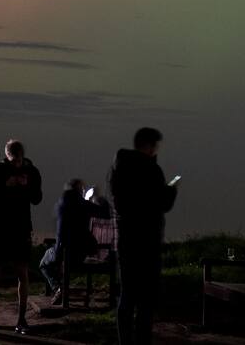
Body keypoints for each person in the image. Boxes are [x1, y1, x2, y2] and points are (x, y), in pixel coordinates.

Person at [110, 127, 178, 345]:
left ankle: (124, 341)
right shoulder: (152, 170)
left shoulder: (119, 168)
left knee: (127, 295)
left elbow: (120, 203)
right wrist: (171, 190)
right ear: (149, 146)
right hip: (148, 241)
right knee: (146, 300)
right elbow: (163, 203)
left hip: (126, 240)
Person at [0, 139, 42, 335]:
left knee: (21, 274)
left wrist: (26, 186)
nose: (17, 164)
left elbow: (37, 198)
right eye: (14, 161)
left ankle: (20, 320)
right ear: (8, 157)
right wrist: (6, 185)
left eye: (18, 160)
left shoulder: (31, 171)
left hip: (19, 228)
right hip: (3, 227)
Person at [46, 178, 111, 304]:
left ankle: (58, 289)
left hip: (61, 251)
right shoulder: (84, 205)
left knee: (44, 264)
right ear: (80, 191)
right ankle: (60, 290)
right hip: (79, 255)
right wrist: (98, 197)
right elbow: (106, 213)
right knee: (51, 260)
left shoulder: (60, 204)